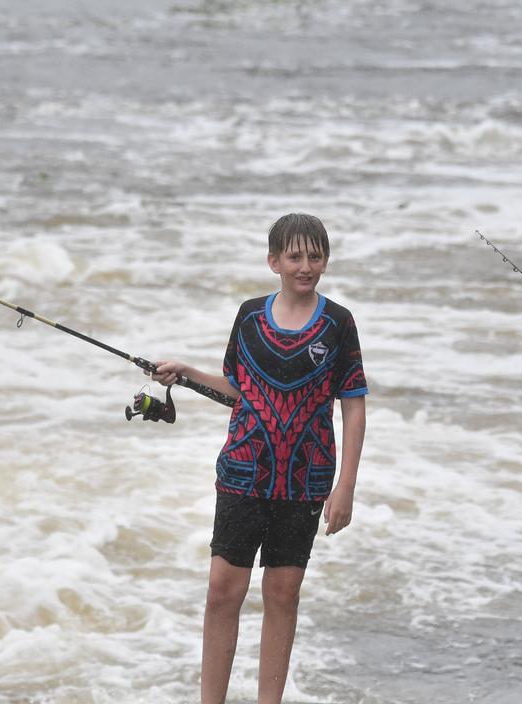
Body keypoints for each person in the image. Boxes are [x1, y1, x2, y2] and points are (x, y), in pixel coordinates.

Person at [150, 213, 368, 704]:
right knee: (222, 593)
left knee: (283, 596)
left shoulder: (338, 324)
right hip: (243, 473)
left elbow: (353, 404)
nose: (305, 266)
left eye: (315, 256)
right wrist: (185, 373)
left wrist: (346, 485)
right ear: (274, 262)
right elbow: (236, 389)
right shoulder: (250, 316)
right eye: (294, 256)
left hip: (305, 480)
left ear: (326, 261)